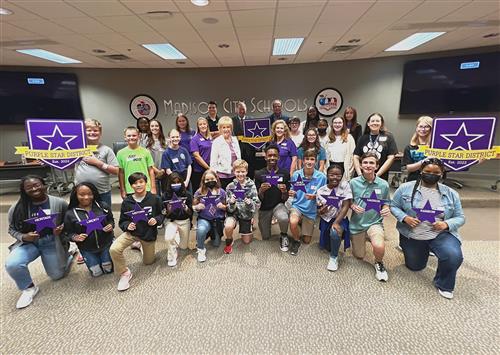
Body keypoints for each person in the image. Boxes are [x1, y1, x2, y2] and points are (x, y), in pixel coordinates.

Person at [390, 158, 465, 299]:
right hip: (413, 234)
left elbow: (460, 217)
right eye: (428, 171)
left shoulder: (451, 194)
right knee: (415, 266)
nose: (431, 174)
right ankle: (421, 248)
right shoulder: (405, 188)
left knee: (453, 256)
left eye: (436, 172)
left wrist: (446, 224)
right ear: (421, 171)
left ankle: (444, 284)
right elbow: (394, 206)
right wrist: (405, 218)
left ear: (441, 173)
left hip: (440, 234)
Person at [5, 175, 73, 309]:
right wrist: (24, 237)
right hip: (29, 244)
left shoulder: (59, 203)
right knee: (13, 264)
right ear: (23, 190)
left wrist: (62, 228)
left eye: (37, 185)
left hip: (52, 242)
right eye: (29, 187)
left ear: (44, 185)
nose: (34, 189)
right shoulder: (17, 207)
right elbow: (12, 230)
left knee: (57, 275)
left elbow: (71, 221)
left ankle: (68, 255)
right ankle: (29, 288)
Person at [111, 172, 164, 291]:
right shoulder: (127, 202)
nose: (138, 185)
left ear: (146, 183)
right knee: (114, 249)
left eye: (141, 182)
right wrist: (127, 226)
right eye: (135, 183)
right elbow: (122, 221)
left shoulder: (155, 199)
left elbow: (162, 215)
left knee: (148, 262)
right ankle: (125, 273)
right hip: (132, 234)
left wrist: (156, 220)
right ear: (131, 186)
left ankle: (140, 246)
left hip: (148, 235)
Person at [349, 152, 391, 281]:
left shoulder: (383, 184)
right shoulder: (353, 182)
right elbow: (347, 201)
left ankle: (379, 263)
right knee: (359, 255)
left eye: (371, 163)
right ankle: (363, 237)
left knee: (379, 246)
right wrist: (352, 206)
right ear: (361, 166)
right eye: (365, 162)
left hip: (374, 222)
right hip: (357, 223)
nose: (368, 165)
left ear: (376, 166)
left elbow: (386, 203)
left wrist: (386, 209)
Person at [63, 182, 114, 277]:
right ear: (75, 195)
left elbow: (111, 220)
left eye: (89, 194)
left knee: (108, 270)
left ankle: (106, 259)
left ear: (94, 194)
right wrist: (74, 237)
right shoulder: (70, 213)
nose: (86, 197)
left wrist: (110, 225)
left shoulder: (102, 206)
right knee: (96, 273)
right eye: (82, 195)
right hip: (86, 248)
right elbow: (67, 233)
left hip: (106, 244)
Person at [288, 149, 327, 256]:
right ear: (303, 161)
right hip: (298, 206)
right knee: (293, 222)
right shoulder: (296, 174)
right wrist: (291, 192)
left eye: (312, 159)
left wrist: (315, 196)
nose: (309, 162)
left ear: (316, 161)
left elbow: (324, 196)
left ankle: (303, 222)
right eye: (307, 159)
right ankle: (296, 240)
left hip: (310, 210)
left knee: (307, 241)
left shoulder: (322, 177)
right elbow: (293, 190)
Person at [74, 118, 119, 208]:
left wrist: (98, 163)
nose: (92, 132)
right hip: (82, 192)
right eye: (89, 130)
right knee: (84, 216)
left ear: (100, 133)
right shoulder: (76, 149)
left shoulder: (107, 150)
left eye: (95, 130)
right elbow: (65, 164)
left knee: (104, 216)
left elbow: (116, 171)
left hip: (102, 192)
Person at [317, 164, 352, 271]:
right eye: (332, 175)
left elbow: (346, 206)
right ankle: (334, 240)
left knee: (335, 232)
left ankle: (333, 258)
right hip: (326, 220)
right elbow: (319, 211)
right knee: (327, 247)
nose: (335, 178)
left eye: (338, 175)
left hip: (340, 219)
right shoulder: (321, 191)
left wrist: (336, 222)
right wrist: (321, 211)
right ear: (327, 175)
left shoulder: (345, 186)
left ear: (342, 176)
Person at [254, 144, 291, 247]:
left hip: (279, 204)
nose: (272, 158)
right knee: (265, 237)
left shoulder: (285, 173)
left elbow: (285, 198)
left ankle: (284, 235)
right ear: (265, 157)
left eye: (275, 155)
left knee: (283, 218)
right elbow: (259, 198)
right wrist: (261, 190)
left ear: (278, 157)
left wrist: (284, 192)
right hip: (264, 207)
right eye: (269, 155)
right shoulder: (259, 174)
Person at [224, 159, 260, 254]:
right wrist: (231, 202)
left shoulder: (251, 185)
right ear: (234, 172)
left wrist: (249, 203)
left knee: (247, 241)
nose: (240, 174)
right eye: (238, 171)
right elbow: (228, 207)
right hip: (234, 213)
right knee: (228, 226)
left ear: (247, 172)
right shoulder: (230, 186)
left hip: (246, 214)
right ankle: (229, 240)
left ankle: (250, 223)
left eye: (243, 171)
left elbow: (257, 203)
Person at [192, 170, 227, 262]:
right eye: (207, 179)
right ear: (203, 181)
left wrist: (223, 206)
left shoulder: (222, 192)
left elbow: (228, 207)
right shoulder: (199, 192)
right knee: (201, 230)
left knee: (216, 244)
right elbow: (193, 206)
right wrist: (197, 207)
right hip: (205, 218)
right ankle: (200, 249)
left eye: (212, 179)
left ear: (216, 179)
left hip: (217, 220)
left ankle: (212, 234)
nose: (210, 181)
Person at [353, 113, 398, 181]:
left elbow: (391, 157)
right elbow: (355, 157)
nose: (375, 123)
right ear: (368, 123)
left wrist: (377, 175)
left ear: (381, 123)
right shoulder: (362, 138)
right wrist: (360, 174)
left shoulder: (388, 137)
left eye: (377, 121)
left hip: (380, 176)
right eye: (372, 121)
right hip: (362, 176)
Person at [162, 172, 194, 267]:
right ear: (169, 184)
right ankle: (171, 257)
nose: (176, 184)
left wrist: (186, 208)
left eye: (178, 182)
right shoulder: (165, 196)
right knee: (168, 238)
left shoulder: (187, 194)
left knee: (183, 247)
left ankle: (176, 237)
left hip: (184, 221)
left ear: (181, 182)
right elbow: (163, 213)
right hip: (171, 221)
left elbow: (191, 212)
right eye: (173, 183)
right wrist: (169, 210)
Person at [210, 116, 241, 189]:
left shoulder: (235, 139)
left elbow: (239, 157)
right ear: (220, 129)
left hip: (235, 175)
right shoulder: (216, 142)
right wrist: (214, 177)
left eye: (228, 127)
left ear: (231, 128)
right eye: (223, 127)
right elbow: (213, 163)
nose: (226, 129)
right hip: (222, 176)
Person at [402, 116, 433, 182]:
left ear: (431, 128)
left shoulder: (434, 146)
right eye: (420, 126)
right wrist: (425, 161)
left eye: (426, 127)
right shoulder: (409, 147)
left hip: (431, 180)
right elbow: (409, 168)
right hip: (413, 180)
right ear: (416, 128)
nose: (423, 129)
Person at [325, 116, 356, 180]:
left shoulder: (349, 138)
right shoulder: (327, 138)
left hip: (344, 167)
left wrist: (350, 172)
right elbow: (325, 157)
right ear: (332, 124)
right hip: (330, 166)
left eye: (339, 123)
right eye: (335, 123)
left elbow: (353, 156)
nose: (337, 125)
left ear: (343, 124)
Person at [232, 101, 257, 179]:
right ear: (236, 110)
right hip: (238, 149)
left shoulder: (252, 119)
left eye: (243, 109)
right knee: (239, 168)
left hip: (250, 149)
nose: (242, 111)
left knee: (250, 168)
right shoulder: (232, 120)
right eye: (240, 109)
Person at [190, 117, 213, 193]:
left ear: (207, 125)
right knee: (200, 191)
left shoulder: (210, 138)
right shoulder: (194, 139)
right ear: (198, 126)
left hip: (210, 169)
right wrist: (208, 167)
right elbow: (196, 156)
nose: (203, 126)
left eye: (204, 124)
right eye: (200, 124)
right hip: (199, 171)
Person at [146, 118, 167, 195]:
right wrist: (157, 171)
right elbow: (146, 160)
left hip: (165, 172)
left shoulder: (166, 141)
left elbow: (168, 157)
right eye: (152, 126)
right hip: (152, 173)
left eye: (156, 126)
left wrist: (163, 170)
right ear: (150, 128)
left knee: (166, 195)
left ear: (160, 127)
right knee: (156, 196)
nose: (154, 128)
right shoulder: (146, 142)